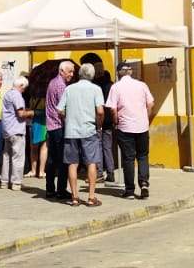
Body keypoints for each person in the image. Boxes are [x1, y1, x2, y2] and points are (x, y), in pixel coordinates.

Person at [106, 63, 154, 200]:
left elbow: (113, 109)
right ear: (130, 72)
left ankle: (130, 190)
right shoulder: (142, 85)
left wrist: (116, 121)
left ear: (118, 73)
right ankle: (144, 183)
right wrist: (146, 118)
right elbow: (150, 104)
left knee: (128, 158)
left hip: (125, 127)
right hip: (142, 126)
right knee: (143, 155)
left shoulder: (115, 87)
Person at [60, 61, 105, 207]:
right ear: (91, 75)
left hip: (71, 131)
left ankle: (74, 197)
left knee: (72, 164)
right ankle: (91, 197)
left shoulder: (69, 89)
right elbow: (100, 111)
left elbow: (59, 109)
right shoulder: (95, 89)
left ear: (79, 74)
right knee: (91, 162)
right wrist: (99, 125)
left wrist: (67, 119)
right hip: (89, 130)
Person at [43, 60, 75, 201]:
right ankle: (61, 190)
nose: (72, 74)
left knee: (52, 160)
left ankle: (50, 189)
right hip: (59, 126)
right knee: (62, 160)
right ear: (62, 71)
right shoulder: (61, 86)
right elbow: (63, 109)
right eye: (70, 71)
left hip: (51, 126)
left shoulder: (52, 82)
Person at [0, 74, 31, 190]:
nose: (24, 90)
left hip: (7, 129)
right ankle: (16, 183)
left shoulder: (7, 93)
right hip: (17, 130)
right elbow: (21, 113)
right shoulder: (17, 95)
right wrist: (32, 113)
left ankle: (4, 181)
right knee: (18, 157)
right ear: (21, 85)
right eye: (24, 88)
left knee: (7, 156)